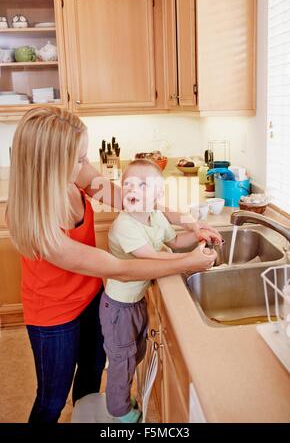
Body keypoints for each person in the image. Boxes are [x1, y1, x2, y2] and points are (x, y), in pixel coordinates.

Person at [7, 107, 219, 424]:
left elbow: (135, 202)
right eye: (78, 158)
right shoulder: (33, 220)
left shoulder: (75, 176)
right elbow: (115, 267)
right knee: (51, 399)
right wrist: (186, 261)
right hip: (53, 316)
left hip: (93, 299)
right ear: (49, 163)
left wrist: (187, 221)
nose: (85, 165)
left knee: (92, 374)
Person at [99, 159, 218, 423]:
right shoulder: (125, 225)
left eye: (143, 185)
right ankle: (118, 411)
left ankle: (120, 397)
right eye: (128, 184)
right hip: (118, 308)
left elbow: (175, 241)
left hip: (135, 301)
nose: (133, 189)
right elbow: (151, 258)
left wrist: (199, 237)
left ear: (157, 195)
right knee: (123, 359)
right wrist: (189, 262)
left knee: (134, 353)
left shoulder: (155, 216)